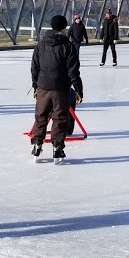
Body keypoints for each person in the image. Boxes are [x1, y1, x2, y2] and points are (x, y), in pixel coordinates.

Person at [30, 15, 84, 164]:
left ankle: (37, 144)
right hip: (60, 88)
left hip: (43, 87)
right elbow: (73, 70)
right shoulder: (68, 45)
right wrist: (78, 89)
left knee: (41, 116)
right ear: (64, 27)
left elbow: (34, 67)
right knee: (60, 118)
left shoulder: (41, 44)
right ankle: (57, 147)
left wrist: (35, 85)